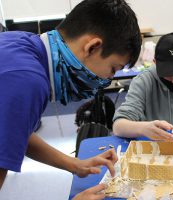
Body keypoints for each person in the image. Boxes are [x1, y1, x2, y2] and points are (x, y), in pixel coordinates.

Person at [0, 0, 141, 199]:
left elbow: (14, 130)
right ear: (92, 47)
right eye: (112, 69)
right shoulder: (27, 82)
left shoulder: (20, 43)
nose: (108, 79)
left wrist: (74, 164)